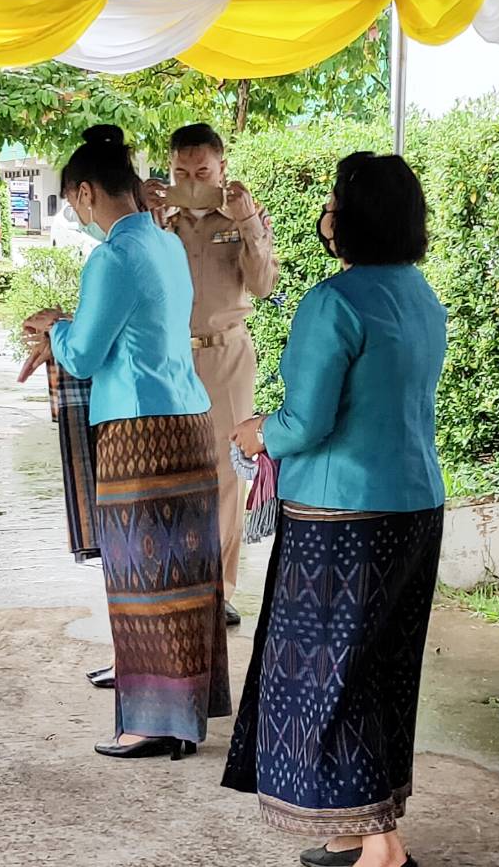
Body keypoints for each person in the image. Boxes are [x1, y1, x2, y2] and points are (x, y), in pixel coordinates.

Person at [223, 151, 445, 867]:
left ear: (353, 218)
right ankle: (354, 828)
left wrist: (257, 433)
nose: (325, 213)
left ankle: (380, 846)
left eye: (332, 200)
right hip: (414, 506)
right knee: (380, 665)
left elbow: (307, 421)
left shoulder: (334, 301)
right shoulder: (419, 295)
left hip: (339, 517)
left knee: (331, 673)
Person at [23, 124, 230, 760]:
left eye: (71, 201)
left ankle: (152, 723)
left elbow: (84, 354)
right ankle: (188, 706)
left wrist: (51, 330)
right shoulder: (164, 243)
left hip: (139, 432)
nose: (75, 214)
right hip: (190, 419)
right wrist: (70, 326)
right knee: (189, 574)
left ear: (85, 193)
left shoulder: (112, 255)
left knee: (141, 575)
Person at [144, 122, 277, 625]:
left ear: (223, 169)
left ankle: (219, 588)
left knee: (226, 472)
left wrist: (250, 226)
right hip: (171, 354)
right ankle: (175, 578)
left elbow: (263, 286)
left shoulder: (243, 216)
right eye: (182, 171)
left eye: (203, 171)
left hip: (227, 357)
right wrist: (148, 219)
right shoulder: (160, 221)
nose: (193, 179)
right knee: (171, 467)